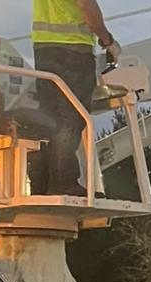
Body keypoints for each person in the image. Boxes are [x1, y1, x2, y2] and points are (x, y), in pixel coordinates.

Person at [31, 0, 120, 196]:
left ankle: (42, 184)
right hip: (72, 49)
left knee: (50, 118)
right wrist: (108, 41)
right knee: (71, 117)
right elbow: (86, 5)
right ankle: (63, 183)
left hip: (44, 50)